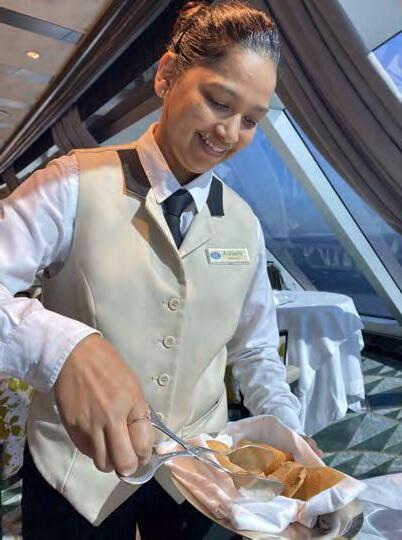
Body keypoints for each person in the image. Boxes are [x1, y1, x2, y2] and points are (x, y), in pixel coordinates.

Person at [0, 1, 320, 538]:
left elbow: (256, 350)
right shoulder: (71, 183)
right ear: (168, 75)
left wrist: (287, 432)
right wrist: (58, 346)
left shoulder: (245, 223)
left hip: (199, 471)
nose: (229, 132)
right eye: (219, 101)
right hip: (77, 469)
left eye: (250, 120)